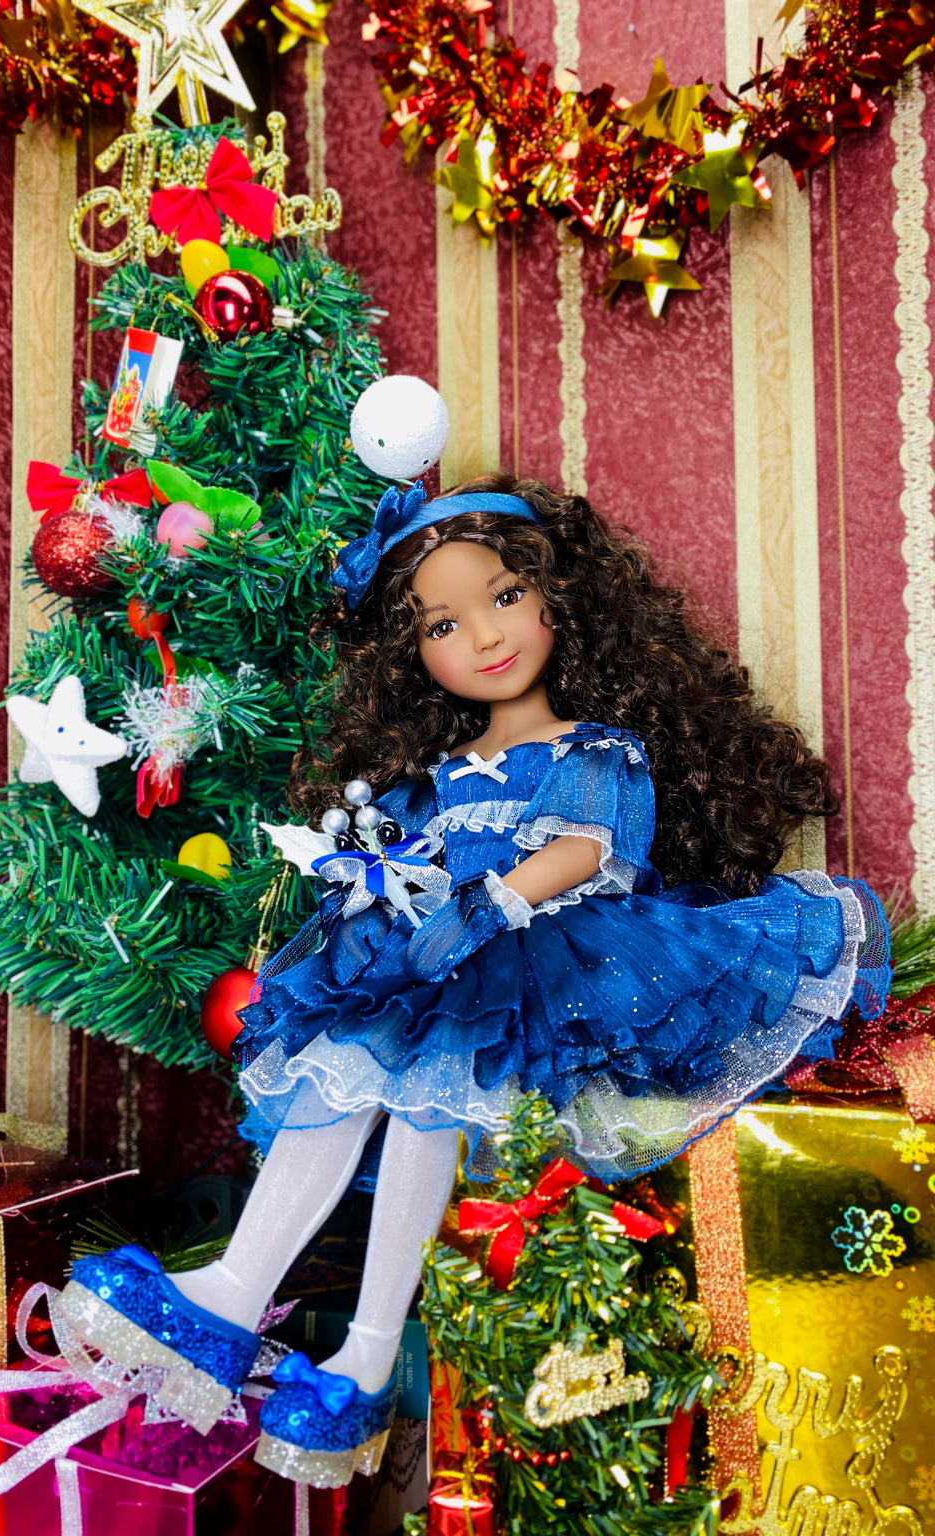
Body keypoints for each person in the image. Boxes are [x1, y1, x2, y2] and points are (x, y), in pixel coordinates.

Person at [63, 473, 889, 1483]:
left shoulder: (591, 744)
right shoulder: (440, 772)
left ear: (556, 597)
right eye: (442, 624)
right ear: (415, 657)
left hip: (540, 956)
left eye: (503, 596)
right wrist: (380, 901)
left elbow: (586, 848)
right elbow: (400, 859)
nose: (485, 638)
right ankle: (237, 1290)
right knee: (337, 1070)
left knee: (427, 1109)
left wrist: (492, 904)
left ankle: (367, 1350)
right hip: (435, 957)